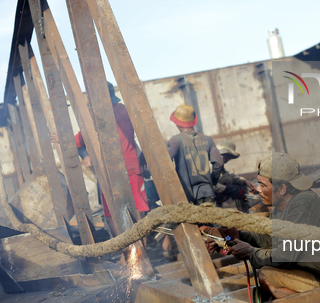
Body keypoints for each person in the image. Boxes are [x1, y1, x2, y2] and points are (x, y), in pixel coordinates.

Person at [204, 153, 320, 299]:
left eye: (263, 185)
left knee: (266, 275)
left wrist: (251, 253)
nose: (257, 189)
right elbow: (267, 238)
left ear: (282, 188)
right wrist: (237, 235)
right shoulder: (282, 207)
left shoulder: (303, 203)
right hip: (315, 270)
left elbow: (286, 255)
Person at [57, 81, 149, 236]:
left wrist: (61, 139)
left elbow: (78, 140)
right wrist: (141, 160)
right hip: (132, 168)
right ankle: (141, 254)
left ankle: (129, 252)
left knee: (112, 214)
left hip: (108, 172)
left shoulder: (93, 115)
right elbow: (147, 137)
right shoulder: (126, 110)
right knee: (137, 210)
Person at [167, 104, 223, 205]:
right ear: (193, 122)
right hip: (208, 192)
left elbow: (165, 164)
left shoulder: (175, 141)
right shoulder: (208, 140)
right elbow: (219, 163)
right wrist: (213, 179)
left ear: (177, 123)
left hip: (186, 195)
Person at [213, 139, 255, 207]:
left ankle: (247, 210)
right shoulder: (210, 165)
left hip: (216, 196)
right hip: (207, 199)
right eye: (227, 156)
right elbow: (209, 186)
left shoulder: (219, 165)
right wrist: (229, 189)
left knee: (239, 182)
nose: (228, 159)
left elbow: (228, 176)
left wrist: (244, 181)